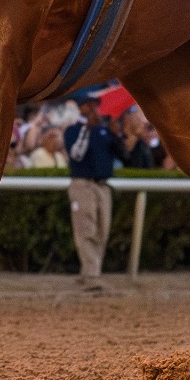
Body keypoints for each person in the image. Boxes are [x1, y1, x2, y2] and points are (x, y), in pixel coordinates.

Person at [64, 100, 116, 284]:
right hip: (82, 185)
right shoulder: (72, 130)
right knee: (87, 230)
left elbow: (122, 154)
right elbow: (76, 154)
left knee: (102, 231)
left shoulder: (104, 131)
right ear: (81, 107)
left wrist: (117, 133)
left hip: (103, 186)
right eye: (89, 104)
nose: (93, 108)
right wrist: (86, 130)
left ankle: (90, 272)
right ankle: (92, 275)